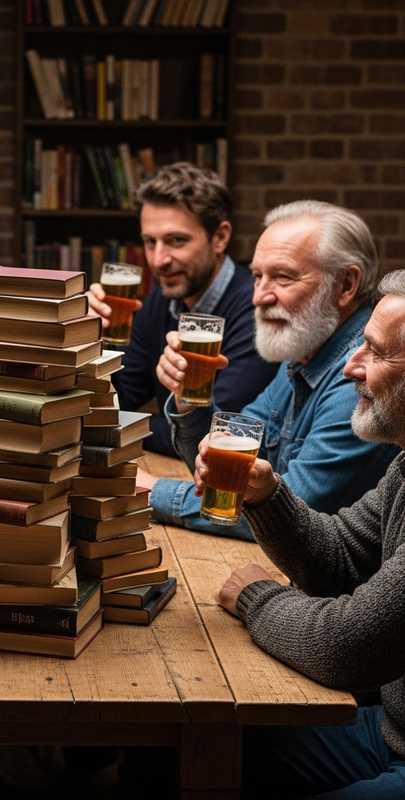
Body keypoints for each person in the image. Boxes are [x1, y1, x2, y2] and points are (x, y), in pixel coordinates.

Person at [202, 268, 405, 798]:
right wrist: (267, 497)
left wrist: (256, 598)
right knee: (194, 745)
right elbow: (340, 554)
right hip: (391, 733)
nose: (349, 369)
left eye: (376, 354)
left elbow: (346, 646)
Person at [140, 200, 399, 541]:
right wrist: (188, 400)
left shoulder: (360, 377)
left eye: (282, 277)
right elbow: (226, 472)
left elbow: (283, 516)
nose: (258, 297)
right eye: (257, 277)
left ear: (346, 285)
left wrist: (151, 490)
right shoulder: (303, 354)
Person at [87, 162, 279, 456]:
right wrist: (88, 340)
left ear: (220, 237)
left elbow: (215, 434)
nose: (159, 259)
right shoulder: (159, 302)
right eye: (150, 242)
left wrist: (120, 425)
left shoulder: (255, 309)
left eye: (176, 240)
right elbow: (118, 400)